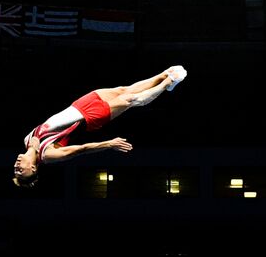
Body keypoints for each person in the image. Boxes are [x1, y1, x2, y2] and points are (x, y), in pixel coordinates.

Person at [13, 66, 187, 188]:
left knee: (123, 90)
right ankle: (168, 83)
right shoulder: (48, 155)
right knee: (131, 100)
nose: (17, 168)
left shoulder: (28, 139)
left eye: (16, 170)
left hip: (79, 105)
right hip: (89, 118)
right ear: (34, 168)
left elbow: (38, 136)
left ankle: (163, 75)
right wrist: (108, 144)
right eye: (21, 172)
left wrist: (32, 147)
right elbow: (80, 149)